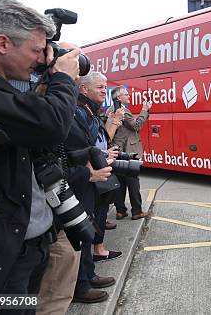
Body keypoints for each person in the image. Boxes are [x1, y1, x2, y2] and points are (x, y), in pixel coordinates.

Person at [0, 0, 80, 304]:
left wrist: (48, 84)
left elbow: (35, 129)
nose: (40, 59)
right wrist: (63, 77)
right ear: (3, 44)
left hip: (26, 246)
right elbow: (50, 125)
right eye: (36, 50)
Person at [69, 71, 121, 303]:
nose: (104, 90)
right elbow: (80, 148)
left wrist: (102, 153)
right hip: (80, 182)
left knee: (88, 229)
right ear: (83, 89)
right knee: (81, 233)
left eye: (106, 87)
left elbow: (92, 146)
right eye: (99, 87)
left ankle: (88, 276)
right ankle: (81, 285)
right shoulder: (79, 111)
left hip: (88, 182)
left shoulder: (89, 111)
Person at [107, 85, 152, 220]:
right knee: (133, 181)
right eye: (126, 94)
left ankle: (120, 211)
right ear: (119, 98)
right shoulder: (123, 111)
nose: (129, 96)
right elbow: (136, 125)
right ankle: (137, 211)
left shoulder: (110, 110)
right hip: (127, 151)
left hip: (117, 150)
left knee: (120, 182)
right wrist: (145, 109)